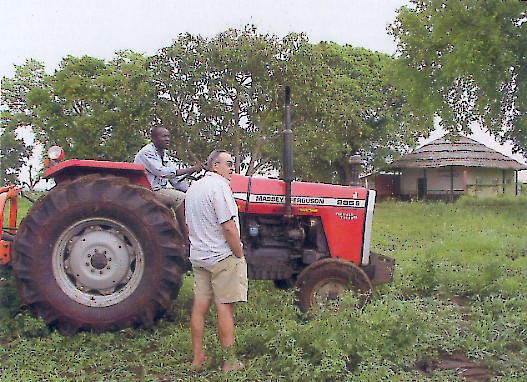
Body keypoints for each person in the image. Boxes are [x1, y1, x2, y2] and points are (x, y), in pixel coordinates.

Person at [185, 149, 248, 372]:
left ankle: (197, 358)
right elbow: (228, 226)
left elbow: (187, 224)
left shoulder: (193, 189)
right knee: (224, 309)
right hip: (222, 257)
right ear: (215, 166)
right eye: (229, 163)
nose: (232, 168)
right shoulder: (220, 187)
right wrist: (238, 252)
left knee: (199, 307)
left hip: (200, 257)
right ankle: (229, 363)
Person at [134, 126, 202, 239]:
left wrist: (192, 192)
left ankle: (179, 235)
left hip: (161, 190)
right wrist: (191, 169)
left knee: (186, 197)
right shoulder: (146, 153)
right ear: (154, 139)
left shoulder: (164, 155)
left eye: (168, 136)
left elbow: (175, 180)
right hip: (150, 191)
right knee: (181, 199)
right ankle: (188, 240)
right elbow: (163, 172)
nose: (167, 139)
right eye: (163, 136)